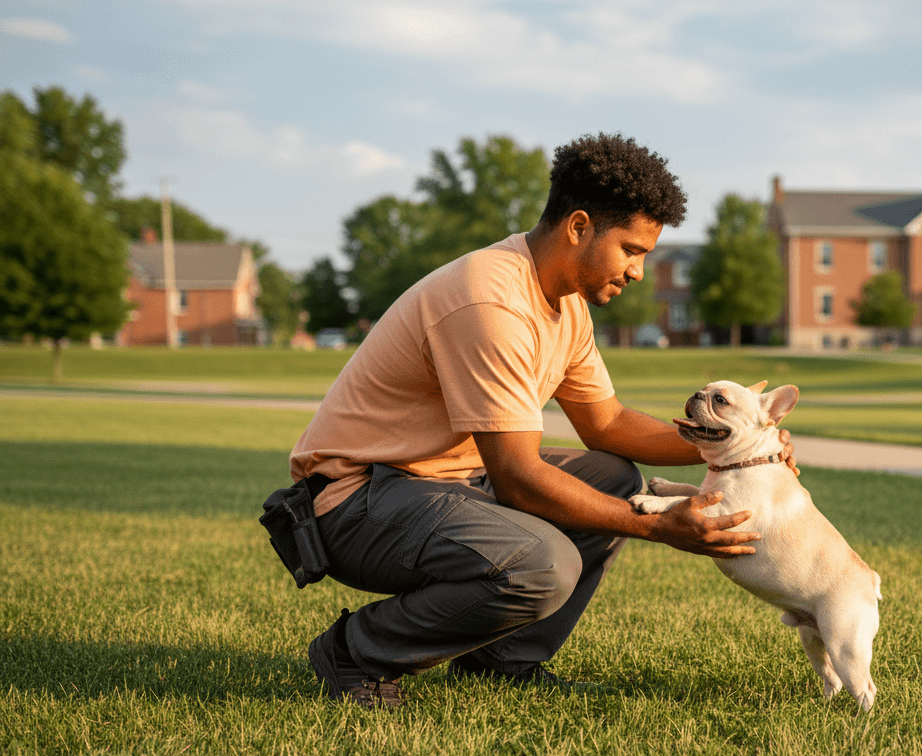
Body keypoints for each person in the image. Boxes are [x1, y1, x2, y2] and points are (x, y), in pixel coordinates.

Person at [287, 133, 797, 709]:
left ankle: (502, 662)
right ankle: (358, 651)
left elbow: (606, 424)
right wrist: (660, 527)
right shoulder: (493, 299)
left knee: (612, 477)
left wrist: (746, 446)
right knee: (544, 565)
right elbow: (518, 478)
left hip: (436, 484)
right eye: (631, 250)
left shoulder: (567, 304)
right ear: (579, 226)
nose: (637, 273)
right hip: (357, 500)